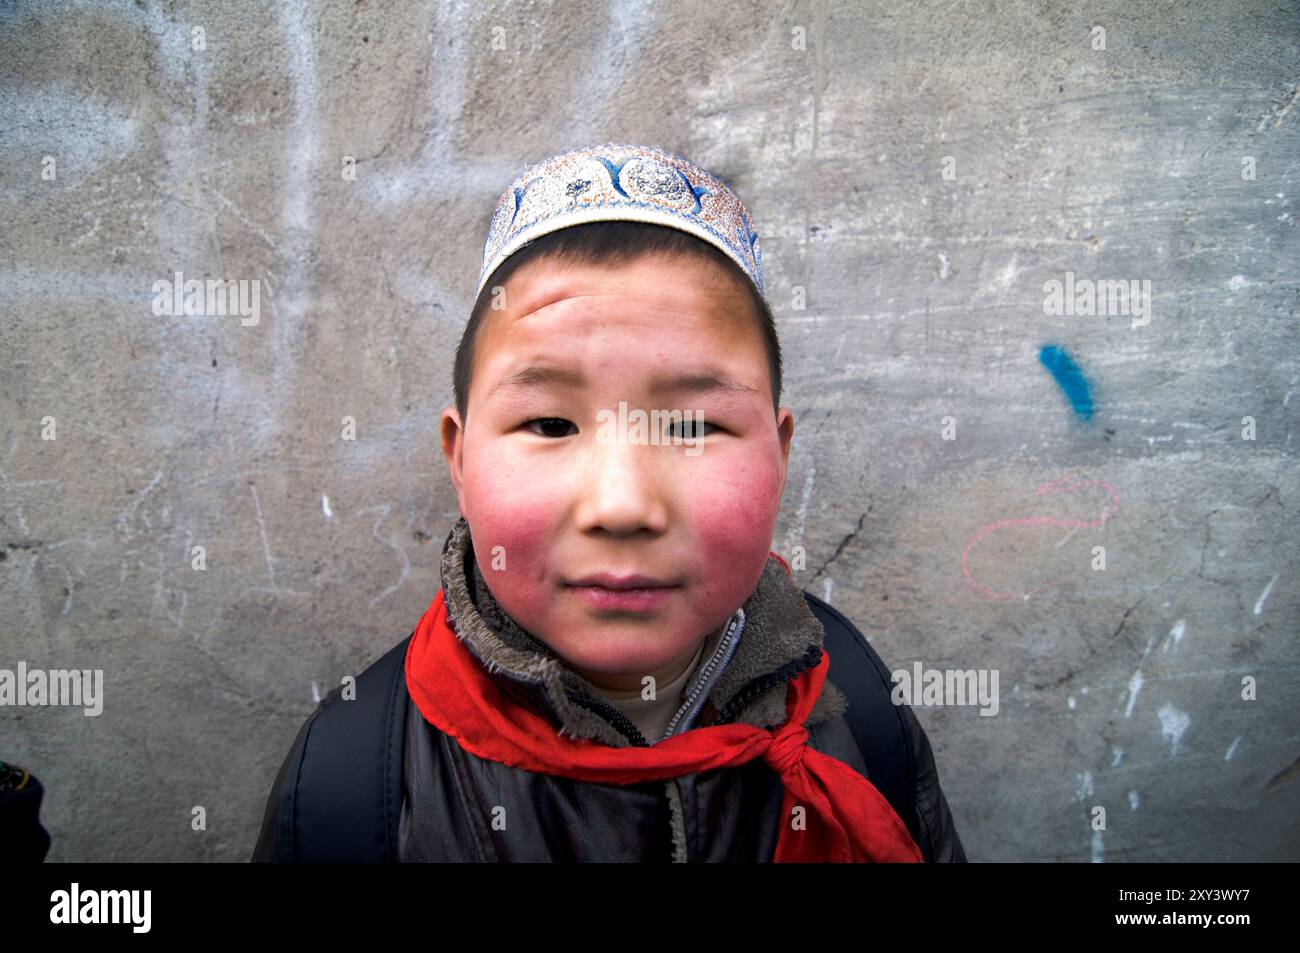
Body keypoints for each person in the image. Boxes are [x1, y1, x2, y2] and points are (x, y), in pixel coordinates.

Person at [252, 143, 966, 862]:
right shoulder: (353, 786)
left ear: (778, 457)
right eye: (551, 424)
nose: (622, 505)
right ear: (460, 459)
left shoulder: (854, 704)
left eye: (691, 427)